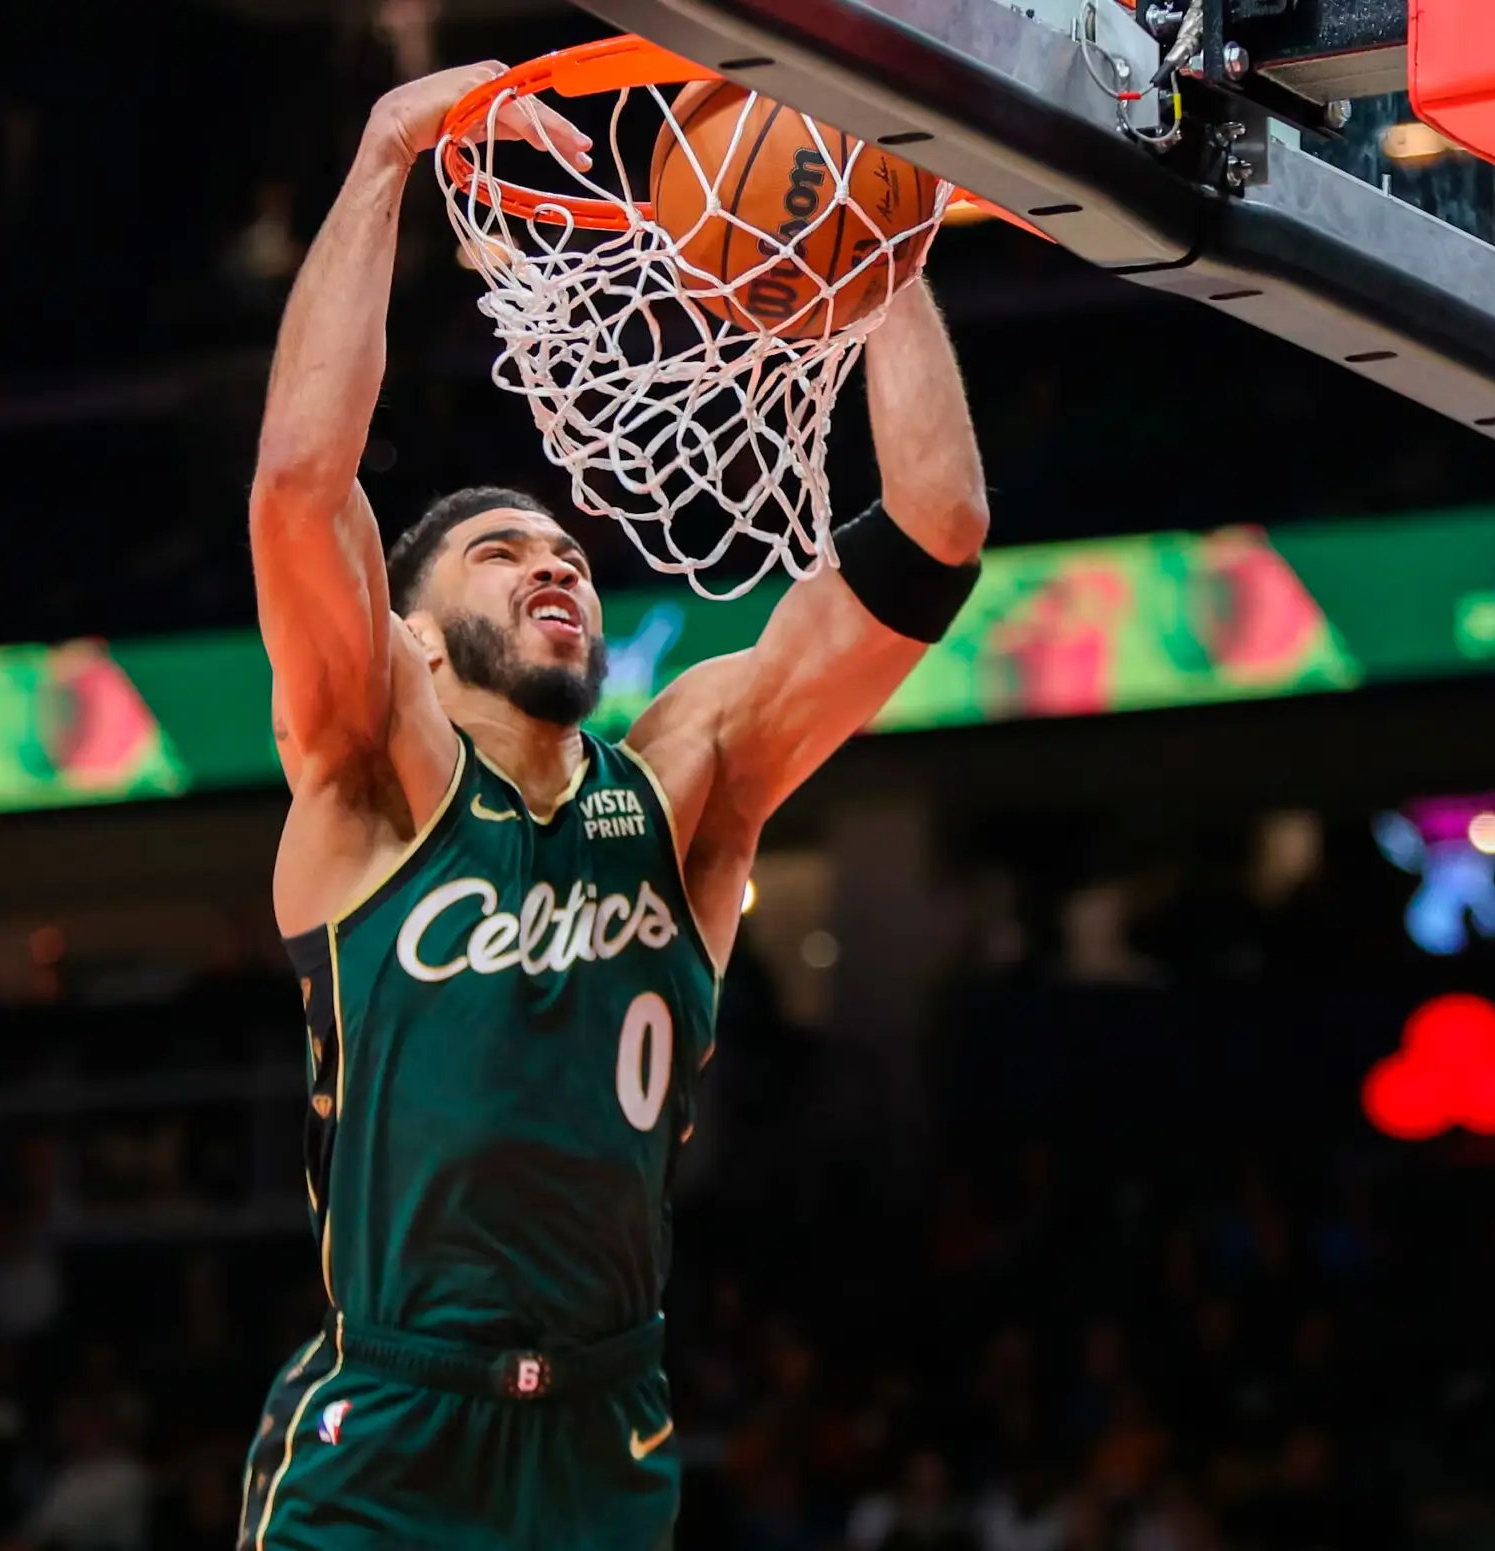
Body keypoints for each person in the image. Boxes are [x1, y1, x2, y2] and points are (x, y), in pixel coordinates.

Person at [238, 58, 989, 1551]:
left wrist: (872, 211)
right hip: (388, 1426)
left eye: (570, 546)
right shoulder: (368, 770)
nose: (556, 560)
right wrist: (389, 147)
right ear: (411, 636)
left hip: (605, 1423)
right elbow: (297, 482)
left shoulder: (689, 775)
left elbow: (935, 527)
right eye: (503, 549)